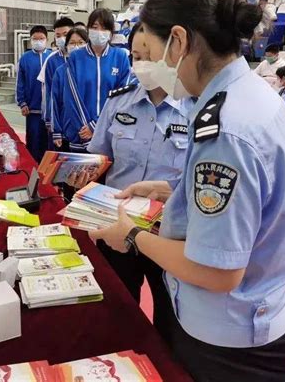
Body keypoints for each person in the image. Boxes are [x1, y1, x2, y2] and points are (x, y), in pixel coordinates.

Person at [90, 0, 285, 382]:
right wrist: (175, 189)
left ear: (179, 41)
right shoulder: (253, 96)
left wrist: (133, 237)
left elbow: (216, 271)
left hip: (229, 341)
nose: (147, 65)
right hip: (268, 310)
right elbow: (256, 199)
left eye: (150, 51)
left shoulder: (224, 128)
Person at [73, 23, 193, 338]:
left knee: (171, 318)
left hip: (167, 234)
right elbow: (99, 160)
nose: (140, 63)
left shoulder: (195, 109)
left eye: (148, 55)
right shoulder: (118, 102)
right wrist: (79, 175)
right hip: (116, 225)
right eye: (134, 56)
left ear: (172, 53)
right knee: (117, 309)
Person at [60, 8, 131, 151]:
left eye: (104, 28)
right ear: (88, 30)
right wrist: (85, 128)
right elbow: (71, 97)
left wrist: (96, 126)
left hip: (109, 133)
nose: (99, 31)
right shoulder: (75, 57)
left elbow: (122, 98)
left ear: (111, 32)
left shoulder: (120, 57)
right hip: (81, 134)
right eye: (94, 27)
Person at [16, 25, 51, 162]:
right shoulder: (25, 58)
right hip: (32, 110)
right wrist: (22, 102)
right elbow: (20, 82)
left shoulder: (52, 56)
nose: (38, 41)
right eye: (35, 39)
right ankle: (32, 169)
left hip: (50, 111)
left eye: (41, 38)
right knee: (33, 142)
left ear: (47, 39)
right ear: (30, 40)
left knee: (49, 143)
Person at [38, 17, 75, 149]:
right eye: (58, 35)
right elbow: (47, 93)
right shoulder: (52, 60)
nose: (61, 38)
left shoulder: (85, 59)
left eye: (65, 34)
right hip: (59, 119)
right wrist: (49, 120)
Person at [51, 27, 89, 150]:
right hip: (69, 132)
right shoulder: (61, 71)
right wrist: (56, 130)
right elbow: (54, 102)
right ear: (66, 46)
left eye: (81, 43)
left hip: (93, 132)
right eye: (72, 43)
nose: (76, 46)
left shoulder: (94, 70)